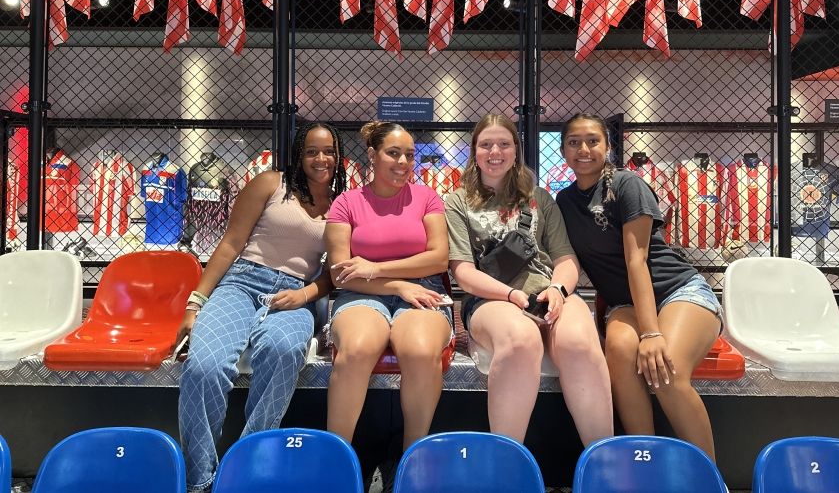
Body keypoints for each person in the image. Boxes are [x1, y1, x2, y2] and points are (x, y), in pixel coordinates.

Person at [175, 122, 347, 493]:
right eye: (312, 151)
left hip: (296, 295)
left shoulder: (341, 205)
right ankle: (199, 480)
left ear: (339, 156)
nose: (321, 159)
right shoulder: (271, 183)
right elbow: (230, 244)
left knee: (282, 350)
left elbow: (336, 275)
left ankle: (247, 465)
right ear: (299, 155)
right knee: (205, 365)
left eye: (329, 151)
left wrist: (303, 296)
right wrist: (196, 303)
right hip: (242, 283)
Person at [556, 113, 723, 459]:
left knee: (666, 370)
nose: (583, 149)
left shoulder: (627, 184)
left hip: (677, 292)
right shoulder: (564, 202)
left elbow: (637, 261)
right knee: (618, 352)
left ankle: (709, 478)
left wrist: (651, 333)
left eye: (592, 141)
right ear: (563, 149)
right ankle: (646, 462)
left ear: (608, 146)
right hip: (624, 304)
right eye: (574, 142)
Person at [445, 114, 613, 444]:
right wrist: (511, 296)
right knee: (522, 340)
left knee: (579, 343)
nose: (495, 151)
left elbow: (566, 259)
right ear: (475, 152)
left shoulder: (540, 198)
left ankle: (601, 462)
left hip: (548, 292)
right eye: (486, 144)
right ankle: (509, 466)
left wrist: (558, 289)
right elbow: (463, 272)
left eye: (504, 144)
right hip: (491, 298)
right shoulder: (458, 201)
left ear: (516, 150)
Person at [325, 121, 451, 454]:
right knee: (356, 348)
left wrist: (376, 267)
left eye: (409, 155)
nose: (403, 162)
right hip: (361, 293)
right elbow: (340, 275)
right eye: (393, 153)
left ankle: (414, 457)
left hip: (422, 288)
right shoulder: (346, 203)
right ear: (373, 155)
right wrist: (397, 284)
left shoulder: (428, 198)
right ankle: (337, 458)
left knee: (422, 351)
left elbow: (438, 259)